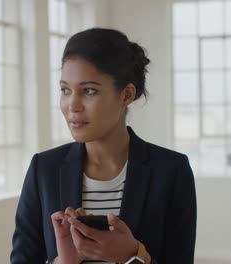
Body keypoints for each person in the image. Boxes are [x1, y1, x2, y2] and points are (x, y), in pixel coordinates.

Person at [10, 28, 197, 264]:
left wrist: (132, 256)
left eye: (89, 91)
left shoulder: (171, 170)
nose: (72, 105)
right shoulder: (44, 168)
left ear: (126, 95)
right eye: (65, 90)